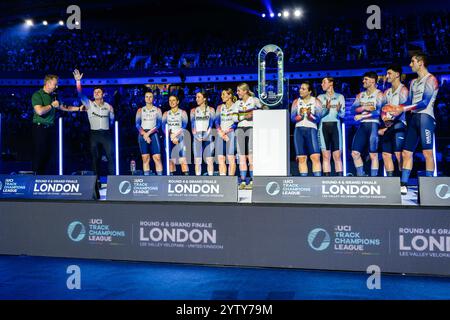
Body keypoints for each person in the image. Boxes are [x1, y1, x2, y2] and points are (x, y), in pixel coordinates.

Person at [382, 53, 439, 195]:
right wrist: (394, 110)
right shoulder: (413, 82)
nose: (410, 64)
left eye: (412, 61)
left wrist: (401, 108)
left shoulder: (431, 79)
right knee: (406, 153)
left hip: (426, 117)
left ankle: (429, 186)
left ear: (421, 63)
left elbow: (424, 102)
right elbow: (409, 103)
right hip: (413, 119)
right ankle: (403, 184)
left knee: (427, 153)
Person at [32, 74, 82, 174]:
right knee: (40, 154)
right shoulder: (37, 95)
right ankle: (35, 179)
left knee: (48, 154)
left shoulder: (53, 96)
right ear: (48, 83)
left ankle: (41, 178)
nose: (57, 86)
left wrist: (79, 109)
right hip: (39, 128)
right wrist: (51, 105)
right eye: (55, 84)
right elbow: (39, 111)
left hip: (50, 128)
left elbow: (63, 107)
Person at [73, 69, 115, 178]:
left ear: (103, 94)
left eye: (98, 92)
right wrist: (78, 82)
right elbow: (80, 94)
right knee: (95, 158)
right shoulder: (89, 104)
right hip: (94, 135)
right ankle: (96, 181)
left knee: (111, 157)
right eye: (95, 92)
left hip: (106, 134)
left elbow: (111, 121)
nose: (96, 93)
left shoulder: (109, 107)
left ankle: (113, 181)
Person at [351, 71, 383, 177]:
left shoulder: (379, 94)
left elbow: (378, 112)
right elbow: (352, 110)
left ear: (373, 81)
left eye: (366, 79)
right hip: (363, 125)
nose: (363, 81)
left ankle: (374, 179)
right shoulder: (361, 95)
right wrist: (363, 108)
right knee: (355, 153)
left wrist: (362, 115)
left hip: (373, 125)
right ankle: (361, 176)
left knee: (373, 154)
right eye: (363, 79)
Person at [378, 64, 408, 177]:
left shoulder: (403, 90)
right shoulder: (387, 92)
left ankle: (402, 182)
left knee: (398, 154)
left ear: (397, 74)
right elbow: (382, 109)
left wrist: (391, 118)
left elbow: (402, 109)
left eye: (389, 73)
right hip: (388, 124)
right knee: (386, 154)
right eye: (386, 73)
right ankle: (390, 181)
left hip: (399, 124)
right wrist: (384, 118)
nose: (387, 76)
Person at [290, 82, 323, 176]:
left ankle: (318, 182)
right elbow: (292, 118)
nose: (300, 90)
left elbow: (318, 119)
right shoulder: (296, 101)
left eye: (303, 89)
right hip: (298, 130)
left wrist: (309, 115)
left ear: (309, 91)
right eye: (300, 88)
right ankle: (304, 181)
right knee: (301, 158)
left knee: (315, 157)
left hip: (311, 129)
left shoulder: (316, 101)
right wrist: (300, 115)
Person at [235, 83, 262, 189]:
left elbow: (265, 109)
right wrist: (245, 116)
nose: (237, 93)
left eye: (239, 91)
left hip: (251, 128)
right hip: (240, 129)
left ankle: (252, 181)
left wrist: (255, 113)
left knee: (251, 157)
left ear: (245, 91)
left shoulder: (254, 100)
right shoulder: (237, 103)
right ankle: (242, 181)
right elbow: (234, 118)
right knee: (241, 157)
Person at [317, 77, 345, 176]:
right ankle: (326, 180)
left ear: (331, 83)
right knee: (325, 156)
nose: (322, 84)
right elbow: (318, 115)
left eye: (324, 82)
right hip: (323, 127)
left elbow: (343, 115)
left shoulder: (340, 96)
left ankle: (340, 180)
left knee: (337, 155)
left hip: (335, 126)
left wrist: (338, 111)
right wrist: (326, 110)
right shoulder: (320, 97)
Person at [135, 91, 163, 176]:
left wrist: (149, 133)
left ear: (153, 98)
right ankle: (147, 178)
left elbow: (158, 124)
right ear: (144, 98)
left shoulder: (157, 110)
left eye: (150, 97)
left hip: (154, 134)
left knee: (157, 158)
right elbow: (137, 124)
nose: (148, 98)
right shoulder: (140, 110)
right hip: (142, 135)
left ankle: (160, 179)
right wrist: (144, 134)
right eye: (147, 97)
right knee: (145, 158)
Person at [162, 95, 189, 175]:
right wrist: (170, 136)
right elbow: (163, 127)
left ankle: (186, 177)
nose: (172, 102)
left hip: (180, 137)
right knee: (170, 158)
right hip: (169, 137)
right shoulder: (166, 113)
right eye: (170, 100)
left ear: (178, 102)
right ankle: (171, 177)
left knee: (183, 158)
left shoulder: (183, 112)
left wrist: (176, 136)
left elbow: (184, 126)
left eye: (174, 100)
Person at [190, 90, 215, 176]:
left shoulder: (211, 109)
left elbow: (211, 124)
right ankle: (198, 178)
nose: (196, 99)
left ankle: (211, 179)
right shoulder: (193, 110)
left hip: (208, 135)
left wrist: (206, 135)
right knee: (197, 160)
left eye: (199, 97)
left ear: (204, 98)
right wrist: (196, 136)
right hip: (197, 136)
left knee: (209, 159)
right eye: (196, 97)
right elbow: (193, 125)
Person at [215, 89, 238, 176]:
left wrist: (227, 131)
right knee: (221, 158)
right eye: (221, 94)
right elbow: (217, 121)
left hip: (231, 134)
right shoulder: (219, 107)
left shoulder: (236, 106)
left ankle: (230, 180)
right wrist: (220, 132)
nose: (222, 96)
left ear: (230, 95)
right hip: (221, 135)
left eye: (224, 94)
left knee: (231, 158)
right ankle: (223, 179)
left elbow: (236, 122)